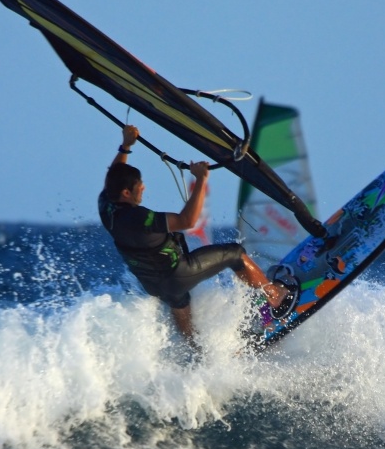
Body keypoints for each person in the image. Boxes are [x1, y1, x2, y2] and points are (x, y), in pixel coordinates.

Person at [97, 125, 297, 343]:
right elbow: (187, 221)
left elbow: (113, 177)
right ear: (126, 193)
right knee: (235, 253)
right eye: (139, 186)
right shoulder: (140, 218)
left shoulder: (106, 206)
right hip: (177, 273)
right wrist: (201, 179)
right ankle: (275, 296)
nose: (143, 188)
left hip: (152, 283)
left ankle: (196, 349)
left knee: (178, 299)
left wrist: (126, 146)